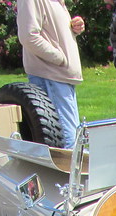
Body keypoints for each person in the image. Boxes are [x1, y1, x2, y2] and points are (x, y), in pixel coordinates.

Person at [17, 0, 85, 148]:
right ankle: (65, 172)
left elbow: (52, 33)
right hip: (50, 76)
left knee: (72, 139)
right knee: (67, 142)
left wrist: (73, 28)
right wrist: (59, 58)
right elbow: (28, 36)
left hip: (60, 76)